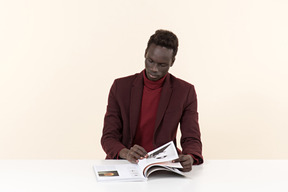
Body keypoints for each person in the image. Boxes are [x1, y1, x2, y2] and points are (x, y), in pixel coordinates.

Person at [101, 29, 203, 172]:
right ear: (145, 54)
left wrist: (190, 156)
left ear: (172, 62)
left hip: (165, 166)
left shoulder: (185, 91)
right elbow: (108, 137)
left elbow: (191, 138)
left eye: (162, 65)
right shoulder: (120, 87)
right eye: (150, 61)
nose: (154, 69)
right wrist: (126, 153)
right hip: (126, 164)